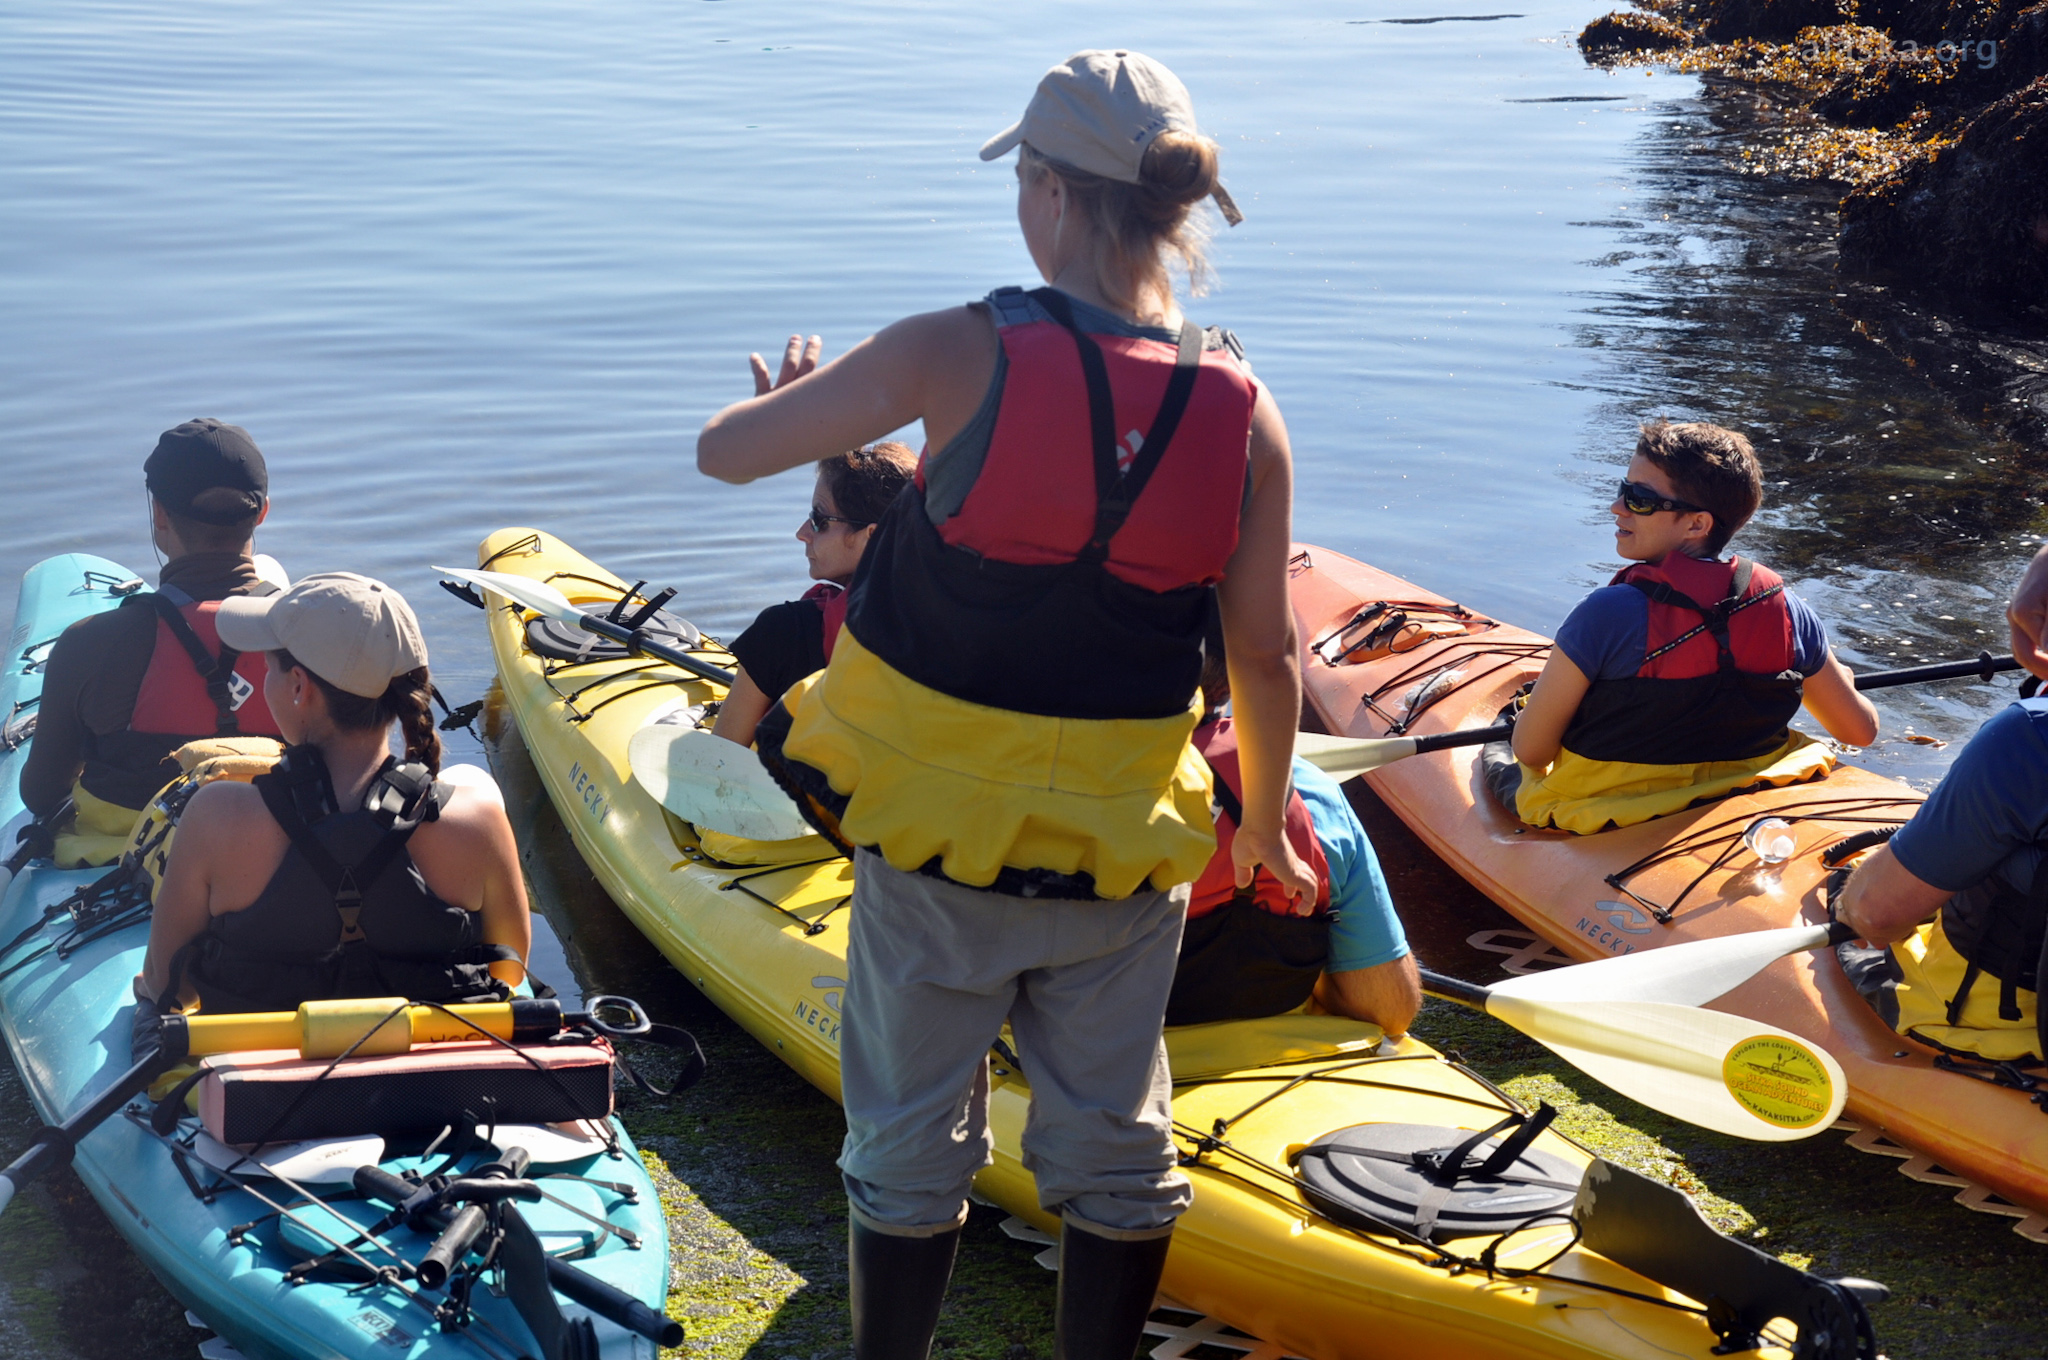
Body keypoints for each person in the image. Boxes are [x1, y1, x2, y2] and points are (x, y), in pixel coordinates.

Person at [697, 50, 1310, 1360]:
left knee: (911, 1143)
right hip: (1123, 859)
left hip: (934, 853)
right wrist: (1262, 818)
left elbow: (720, 454)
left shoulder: (952, 349)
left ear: (1044, 190)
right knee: (1118, 1149)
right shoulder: (1247, 412)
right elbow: (1263, 658)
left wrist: (812, 420)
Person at [136, 573, 530, 1016]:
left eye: (269, 670)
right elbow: (508, 973)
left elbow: (170, 988)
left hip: (266, 1084)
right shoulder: (478, 819)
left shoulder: (216, 815)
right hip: (435, 1083)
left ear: (299, 687)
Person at [1501, 420, 1879, 834]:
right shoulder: (1786, 609)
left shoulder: (1604, 615)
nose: (1617, 507)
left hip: (1608, 811)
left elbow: (1532, 751)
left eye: (1640, 499)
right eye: (1623, 489)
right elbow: (1859, 730)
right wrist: (1841, 678)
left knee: (1501, 742)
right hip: (1747, 789)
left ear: (1697, 524)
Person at [23, 418, 286, 866]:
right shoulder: (309, 639)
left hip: (121, 860)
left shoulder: (89, 645)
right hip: (273, 856)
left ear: (159, 514)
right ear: (261, 512)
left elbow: (41, 793)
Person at [1834, 545, 2048, 1063]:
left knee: (1849, 895)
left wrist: (1848, 901)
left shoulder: (2028, 740)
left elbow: (1876, 916)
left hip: (2008, 1026)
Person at [1170, 635, 1421, 1037]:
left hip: (1101, 1068)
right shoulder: (1309, 791)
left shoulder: (1048, 793)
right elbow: (1388, 1011)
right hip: (1267, 1061)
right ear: (1233, 678)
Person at [712, 442, 917, 748]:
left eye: (819, 519)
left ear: (872, 537)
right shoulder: (958, 629)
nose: (802, 532)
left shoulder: (783, 632)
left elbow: (715, 762)